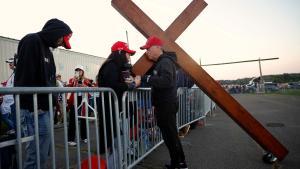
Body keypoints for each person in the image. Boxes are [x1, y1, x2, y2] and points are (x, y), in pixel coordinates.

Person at [14, 18, 72, 169]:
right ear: (56, 33)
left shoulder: (47, 50)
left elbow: (49, 82)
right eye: (62, 39)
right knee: (37, 152)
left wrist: (55, 104)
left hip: (44, 109)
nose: (61, 43)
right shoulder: (31, 40)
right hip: (34, 109)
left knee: (43, 151)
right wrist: (36, 108)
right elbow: (25, 77)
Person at [140, 36, 188, 169]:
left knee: (171, 136)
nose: (147, 52)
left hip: (166, 105)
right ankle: (177, 162)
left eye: (148, 49)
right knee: (170, 136)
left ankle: (180, 163)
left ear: (157, 48)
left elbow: (166, 81)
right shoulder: (162, 62)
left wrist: (147, 78)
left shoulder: (165, 62)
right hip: (165, 105)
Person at [97, 41, 140, 168]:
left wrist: (133, 81)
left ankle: (117, 165)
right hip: (111, 110)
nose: (129, 56)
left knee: (120, 144)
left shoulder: (121, 67)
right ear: (120, 52)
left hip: (119, 110)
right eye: (128, 53)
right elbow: (114, 85)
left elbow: (128, 83)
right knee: (117, 144)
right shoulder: (110, 66)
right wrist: (133, 83)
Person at [67, 65, 91, 146]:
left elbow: (92, 87)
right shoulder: (72, 79)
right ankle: (70, 139)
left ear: (83, 71)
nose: (78, 71)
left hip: (83, 101)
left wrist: (85, 86)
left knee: (83, 119)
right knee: (72, 119)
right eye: (77, 70)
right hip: (74, 101)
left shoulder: (87, 80)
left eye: (80, 70)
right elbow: (68, 87)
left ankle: (84, 137)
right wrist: (74, 82)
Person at [1, 57, 16, 134]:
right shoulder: (13, 73)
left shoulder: (17, 73)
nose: (9, 64)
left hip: (12, 100)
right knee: (6, 116)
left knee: (5, 116)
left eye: (11, 63)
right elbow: (7, 84)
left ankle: (16, 130)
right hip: (8, 100)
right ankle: (15, 129)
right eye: (9, 63)